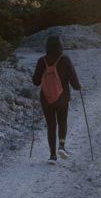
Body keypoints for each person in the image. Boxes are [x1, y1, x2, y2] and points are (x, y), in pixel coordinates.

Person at [32, 35, 81, 164]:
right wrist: (79, 86)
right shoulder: (65, 60)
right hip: (62, 98)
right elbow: (74, 82)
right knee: (62, 122)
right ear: (60, 46)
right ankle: (62, 146)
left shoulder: (42, 61)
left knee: (51, 126)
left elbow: (36, 82)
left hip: (46, 99)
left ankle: (52, 156)